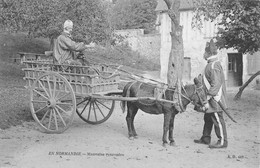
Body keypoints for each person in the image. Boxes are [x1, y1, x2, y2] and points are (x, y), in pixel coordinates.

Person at [194, 39, 228, 149]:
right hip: (211, 98)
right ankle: (206, 138)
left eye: (204, 52)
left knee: (217, 119)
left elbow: (216, 83)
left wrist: (208, 96)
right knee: (208, 118)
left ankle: (222, 141)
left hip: (215, 99)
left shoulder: (213, 65)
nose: (203, 54)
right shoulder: (211, 64)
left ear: (208, 53)